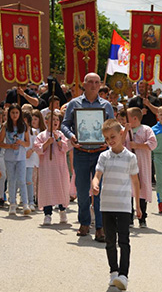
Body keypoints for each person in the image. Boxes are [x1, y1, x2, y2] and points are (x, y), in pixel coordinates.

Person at [61, 72, 115, 240]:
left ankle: (100, 227)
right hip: (81, 153)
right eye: (90, 82)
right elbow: (64, 125)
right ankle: (84, 222)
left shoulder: (106, 105)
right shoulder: (73, 104)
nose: (93, 85)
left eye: (96, 82)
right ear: (83, 84)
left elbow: (112, 126)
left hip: (100, 154)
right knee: (83, 192)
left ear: (100, 85)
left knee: (99, 192)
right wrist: (71, 136)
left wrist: (108, 140)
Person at [92, 119, 141, 291]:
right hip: (106, 205)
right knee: (110, 241)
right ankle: (113, 272)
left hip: (123, 206)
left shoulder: (130, 157)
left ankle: (124, 275)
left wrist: (139, 206)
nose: (110, 141)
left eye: (112, 136)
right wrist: (95, 183)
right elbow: (97, 174)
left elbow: (135, 182)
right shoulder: (104, 156)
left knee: (124, 241)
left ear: (121, 134)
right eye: (106, 138)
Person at [34, 112, 72, 225]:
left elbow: (66, 147)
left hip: (60, 167)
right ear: (46, 122)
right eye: (52, 120)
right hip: (47, 168)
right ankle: (47, 214)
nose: (55, 122)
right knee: (47, 189)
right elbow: (37, 149)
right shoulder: (41, 135)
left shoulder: (61, 134)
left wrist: (58, 140)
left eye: (57, 120)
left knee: (61, 187)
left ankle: (62, 211)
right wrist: (47, 143)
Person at [125, 107, 157, 228]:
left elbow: (153, 144)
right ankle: (129, 218)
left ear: (134, 118)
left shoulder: (146, 129)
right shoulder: (125, 131)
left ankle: (142, 217)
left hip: (142, 164)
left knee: (142, 189)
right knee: (129, 191)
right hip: (128, 165)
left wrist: (138, 145)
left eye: (127, 117)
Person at [0, 104, 31, 216]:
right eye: (12, 113)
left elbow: (28, 143)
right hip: (9, 157)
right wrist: (10, 146)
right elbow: (0, 142)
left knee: (22, 180)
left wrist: (21, 143)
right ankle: (12, 203)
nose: (15, 115)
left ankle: (25, 204)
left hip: (21, 157)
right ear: (9, 114)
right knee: (11, 180)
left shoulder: (23, 126)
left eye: (17, 113)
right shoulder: (5, 126)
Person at [23, 110, 37, 211]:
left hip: (30, 157)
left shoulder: (34, 131)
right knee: (21, 180)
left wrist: (31, 151)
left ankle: (31, 201)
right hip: (20, 157)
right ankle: (23, 201)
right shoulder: (19, 131)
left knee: (29, 179)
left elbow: (36, 145)